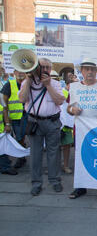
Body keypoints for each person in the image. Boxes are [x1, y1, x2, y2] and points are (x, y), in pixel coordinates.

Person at [66, 58, 97, 200]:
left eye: (92, 69)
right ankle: (81, 186)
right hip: (81, 129)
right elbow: (68, 107)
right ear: (81, 71)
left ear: (96, 72)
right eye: (86, 69)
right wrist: (72, 109)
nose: (89, 72)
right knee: (81, 157)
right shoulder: (74, 87)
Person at [18, 58, 65, 196]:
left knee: (54, 153)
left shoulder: (55, 83)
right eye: (42, 67)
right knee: (35, 155)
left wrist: (48, 85)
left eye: (47, 68)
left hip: (52, 122)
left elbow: (59, 101)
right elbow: (22, 99)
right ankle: (36, 183)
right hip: (35, 122)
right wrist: (28, 80)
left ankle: (55, 181)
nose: (45, 70)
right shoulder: (28, 82)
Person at [1, 69, 28, 169]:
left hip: (28, 116)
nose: (21, 73)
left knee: (24, 138)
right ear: (14, 73)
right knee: (18, 139)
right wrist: (7, 123)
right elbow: (4, 105)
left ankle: (22, 157)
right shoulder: (9, 84)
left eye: (23, 71)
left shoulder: (29, 84)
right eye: (18, 71)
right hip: (15, 118)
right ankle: (20, 157)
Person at [0, 100, 18, 175]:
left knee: (2, 149)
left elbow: (4, 109)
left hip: (1, 131)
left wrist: (7, 124)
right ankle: (5, 167)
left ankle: (5, 167)